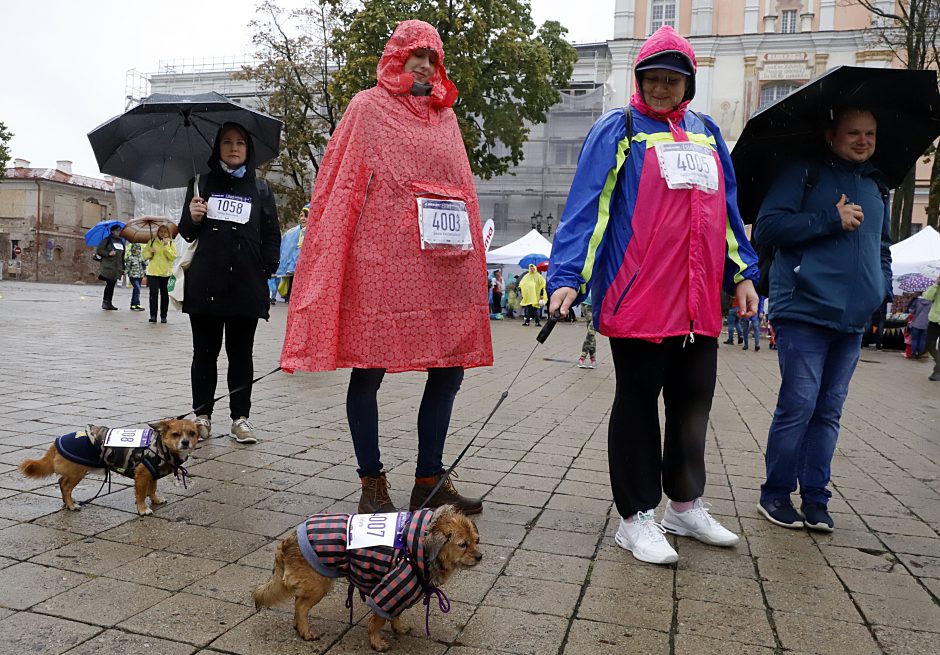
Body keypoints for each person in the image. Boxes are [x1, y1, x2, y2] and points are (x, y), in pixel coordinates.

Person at [548, 25, 759, 565]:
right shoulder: (618, 129)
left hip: (697, 303)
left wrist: (743, 273)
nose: (662, 87)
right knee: (638, 407)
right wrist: (567, 276)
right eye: (653, 78)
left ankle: (683, 506)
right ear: (639, 79)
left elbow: (729, 215)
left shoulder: (708, 132)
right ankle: (636, 516)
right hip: (639, 297)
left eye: (673, 79)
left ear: (687, 83)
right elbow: (587, 208)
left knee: (693, 406)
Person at [280, 21, 492, 515]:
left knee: (449, 366)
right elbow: (342, 182)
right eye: (415, 54)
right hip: (381, 261)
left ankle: (429, 479)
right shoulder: (366, 107)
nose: (424, 65)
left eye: (432, 57)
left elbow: (462, 192)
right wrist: (335, 252)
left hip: (440, 262)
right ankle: (372, 481)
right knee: (368, 367)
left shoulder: (446, 119)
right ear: (395, 56)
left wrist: (470, 261)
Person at [755, 106, 892, 532]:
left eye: (870, 133)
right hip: (803, 309)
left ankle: (816, 497)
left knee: (829, 412)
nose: (863, 141)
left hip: (850, 320)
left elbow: (882, 248)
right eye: (853, 133)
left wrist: (879, 293)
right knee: (798, 406)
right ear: (831, 135)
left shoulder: (876, 186)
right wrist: (830, 219)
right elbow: (767, 229)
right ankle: (775, 494)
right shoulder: (803, 172)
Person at [178, 122, 281, 444]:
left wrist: (265, 270)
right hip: (207, 283)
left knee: (241, 354)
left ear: (248, 149)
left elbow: (271, 235)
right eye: (226, 142)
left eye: (240, 142)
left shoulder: (261, 189)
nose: (234, 148)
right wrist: (193, 217)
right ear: (217, 148)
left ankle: (240, 419)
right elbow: (187, 232)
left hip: (246, 285)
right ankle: (202, 417)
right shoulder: (200, 183)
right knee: (204, 354)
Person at [275, 203, 309, 303]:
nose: (303, 218)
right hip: (291, 272)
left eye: (306, 216)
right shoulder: (291, 233)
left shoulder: (316, 233)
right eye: (301, 216)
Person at [143, 225, 177, 324]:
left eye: (165, 232)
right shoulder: (152, 242)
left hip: (165, 273)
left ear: (168, 233)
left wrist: (166, 246)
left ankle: (163, 316)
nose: (163, 233)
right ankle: (153, 315)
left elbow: (172, 257)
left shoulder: (171, 243)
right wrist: (150, 252)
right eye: (161, 231)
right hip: (153, 272)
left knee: (164, 295)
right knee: (153, 294)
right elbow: (144, 255)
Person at [96, 225, 125, 310]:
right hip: (108, 266)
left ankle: (109, 302)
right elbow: (99, 250)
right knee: (110, 284)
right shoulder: (107, 240)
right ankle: (105, 302)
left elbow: (122, 256)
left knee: (112, 284)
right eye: (117, 230)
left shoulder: (121, 241)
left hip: (117, 267)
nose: (118, 232)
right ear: (112, 231)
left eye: (120, 231)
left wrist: (123, 267)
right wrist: (108, 253)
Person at [923, 275, 940, 380]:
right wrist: (936, 285)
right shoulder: (937, 287)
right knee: (929, 344)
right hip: (934, 320)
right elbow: (927, 297)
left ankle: (937, 372)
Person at [907, 292, 932, 360]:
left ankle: (914, 353)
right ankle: (920, 354)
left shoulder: (916, 301)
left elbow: (911, 311)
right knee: (923, 340)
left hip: (916, 323)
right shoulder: (930, 302)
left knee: (914, 339)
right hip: (926, 324)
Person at [124, 242, 147, 311]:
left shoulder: (141, 257)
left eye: (139, 249)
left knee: (136, 290)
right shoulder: (130, 258)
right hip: (133, 276)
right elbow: (127, 267)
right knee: (137, 288)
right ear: (133, 249)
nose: (138, 251)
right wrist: (124, 272)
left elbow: (144, 264)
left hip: (140, 276)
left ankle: (133, 304)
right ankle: (137, 303)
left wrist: (144, 265)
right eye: (137, 249)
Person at [577, 292, 597, 369]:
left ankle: (583, 357)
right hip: (587, 304)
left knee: (591, 331)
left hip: (598, 304)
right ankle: (593, 359)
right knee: (591, 332)